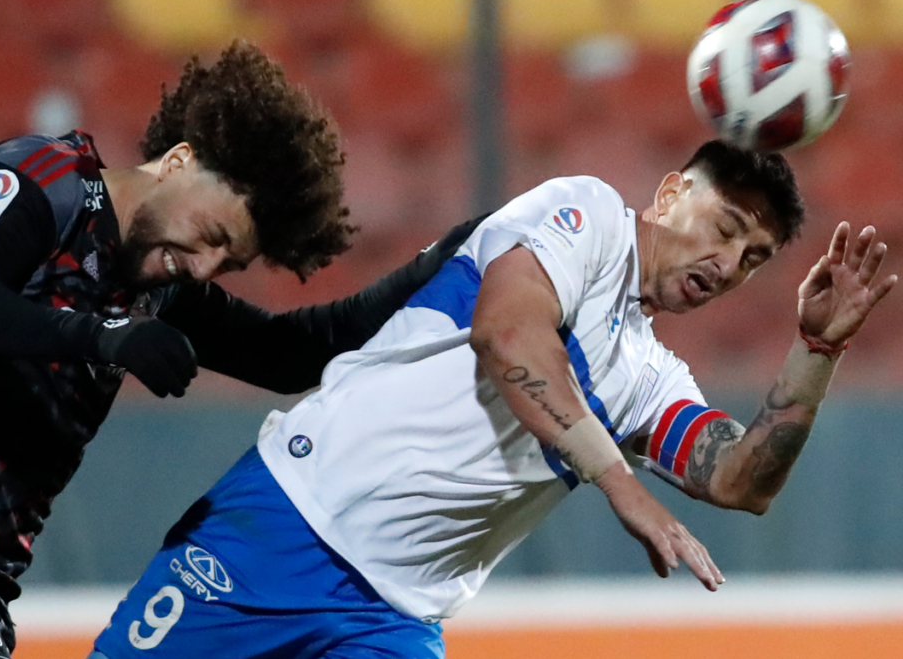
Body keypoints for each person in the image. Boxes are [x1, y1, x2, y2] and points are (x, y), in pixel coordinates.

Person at [90, 141, 895, 659]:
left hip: (392, 621)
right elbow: (508, 335)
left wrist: (818, 348)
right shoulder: (580, 218)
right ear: (670, 190)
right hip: (286, 523)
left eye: (751, 258)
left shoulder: (648, 373)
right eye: (722, 227)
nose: (726, 262)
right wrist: (622, 486)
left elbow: (741, 479)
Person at [0, 40, 483, 659]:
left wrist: (436, 265)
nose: (205, 268)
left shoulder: (157, 289)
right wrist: (102, 335)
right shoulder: (48, 183)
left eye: (230, 262)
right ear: (178, 161)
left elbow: (291, 353)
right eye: (212, 236)